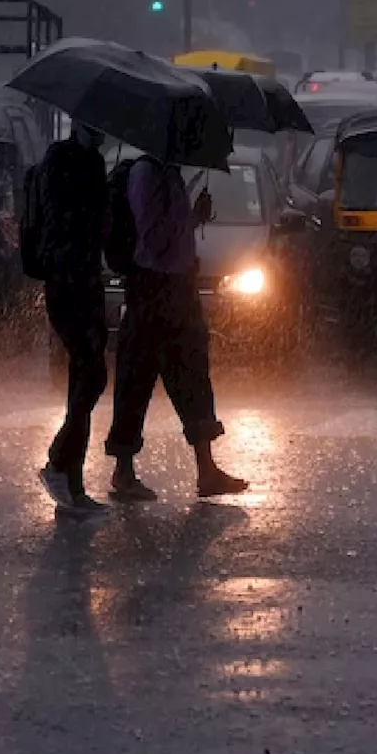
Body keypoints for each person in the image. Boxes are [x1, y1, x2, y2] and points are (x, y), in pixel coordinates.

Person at [104, 155, 248, 501]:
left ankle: (206, 469)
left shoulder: (170, 174)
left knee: (193, 376)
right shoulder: (145, 174)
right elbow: (151, 237)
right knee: (136, 379)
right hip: (153, 287)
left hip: (179, 287)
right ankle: (123, 471)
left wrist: (193, 217)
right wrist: (182, 221)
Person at [36, 123, 112, 518]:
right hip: (68, 282)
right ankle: (57, 461)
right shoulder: (63, 161)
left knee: (84, 377)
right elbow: (69, 220)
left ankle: (73, 481)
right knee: (91, 373)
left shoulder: (92, 163)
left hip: (85, 280)